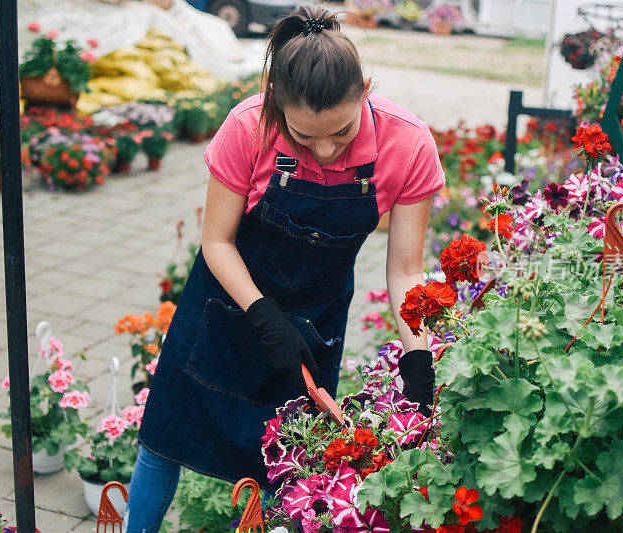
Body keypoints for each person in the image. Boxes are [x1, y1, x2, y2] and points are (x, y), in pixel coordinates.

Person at [126, 5, 444, 531]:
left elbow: (406, 270)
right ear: (276, 104)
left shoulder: (407, 145)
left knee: (289, 467)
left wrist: (418, 355)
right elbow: (216, 241)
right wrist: (261, 312)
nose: (324, 149)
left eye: (340, 132)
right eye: (303, 137)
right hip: (225, 306)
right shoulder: (249, 125)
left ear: (365, 88)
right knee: (164, 439)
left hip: (314, 319)